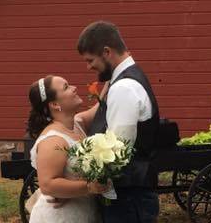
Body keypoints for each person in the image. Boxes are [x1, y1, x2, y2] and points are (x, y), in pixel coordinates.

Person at [78, 21, 160, 223]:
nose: (89, 67)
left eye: (90, 60)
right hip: (131, 196)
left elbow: (118, 151)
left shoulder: (124, 87)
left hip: (129, 199)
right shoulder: (123, 79)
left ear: (107, 52)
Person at [26, 75, 107, 222]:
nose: (74, 88)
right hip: (61, 217)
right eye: (66, 87)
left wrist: (112, 76)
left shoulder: (77, 123)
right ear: (55, 104)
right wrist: (89, 187)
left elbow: (101, 106)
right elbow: (47, 184)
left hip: (83, 211)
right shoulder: (53, 140)